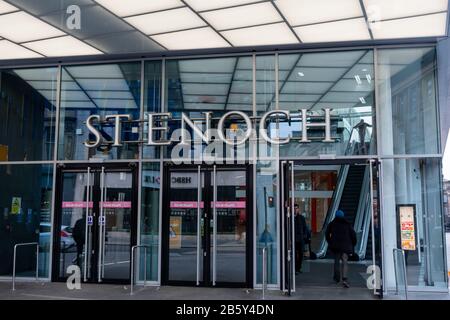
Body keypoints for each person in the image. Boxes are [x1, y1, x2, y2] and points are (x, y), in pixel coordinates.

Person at [325, 210, 357, 288]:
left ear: (335, 216)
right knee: (345, 261)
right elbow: (353, 235)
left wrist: (330, 242)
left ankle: (336, 278)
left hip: (336, 246)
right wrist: (353, 243)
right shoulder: (347, 224)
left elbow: (326, 234)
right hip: (346, 246)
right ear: (343, 216)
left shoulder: (332, 224)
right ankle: (344, 279)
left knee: (336, 261)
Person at [294, 204, 309, 274]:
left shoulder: (301, 218)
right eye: (294, 208)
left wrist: (304, 236)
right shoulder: (290, 218)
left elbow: (305, 227)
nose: (295, 210)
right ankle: (295, 269)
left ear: (298, 209)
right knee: (294, 255)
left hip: (300, 239)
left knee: (300, 255)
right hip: (293, 240)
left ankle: (298, 268)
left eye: (296, 208)